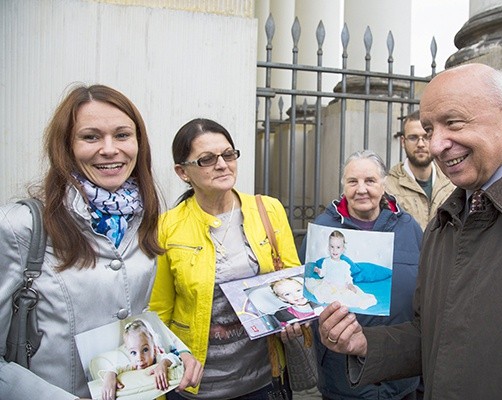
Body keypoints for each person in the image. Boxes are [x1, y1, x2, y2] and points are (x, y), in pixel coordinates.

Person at [318, 63, 502, 400]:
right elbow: (434, 336)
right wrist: (365, 344)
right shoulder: (444, 222)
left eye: (453, 123)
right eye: (427, 128)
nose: (436, 145)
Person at [0, 84, 202, 400]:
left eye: (122, 135)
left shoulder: (141, 218)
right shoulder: (19, 226)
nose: (109, 149)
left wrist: (175, 352)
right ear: (66, 146)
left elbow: (135, 314)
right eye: (91, 137)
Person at [149, 118, 301, 400]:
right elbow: (159, 310)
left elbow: (291, 280)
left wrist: (294, 319)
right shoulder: (168, 226)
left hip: (263, 379)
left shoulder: (268, 209)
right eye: (206, 159)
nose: (222, 164)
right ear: (183, 172)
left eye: (228, 154)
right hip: (194, 385)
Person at [298, 150, 423, 400]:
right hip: (342, 377)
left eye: (370, 181)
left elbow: (426, 288)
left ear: (384, 183)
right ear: (343, 185)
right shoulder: (324, 229)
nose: (361, 189)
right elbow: (305, 295)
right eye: (353, 181)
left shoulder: (409, 227)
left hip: (400, 377)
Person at [385, 110, 454, 231]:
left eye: (426, 137)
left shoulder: (452, 182)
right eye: (413, 137)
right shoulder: (388, 186)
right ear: (403, 141)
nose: (420, 144)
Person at [99, 319, 181, 400]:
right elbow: (116, 368)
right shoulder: (132, 367)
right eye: (133, 353)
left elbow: (175, 358)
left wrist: (164, 364)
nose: (139, 358)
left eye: (145, 350)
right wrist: (110, 375)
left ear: (154, 348)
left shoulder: (159, 359)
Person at [305, 230, 377, 310]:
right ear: (328, 247)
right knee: (323, 293)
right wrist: (318, 271)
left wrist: (350, 284)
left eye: (338, 247)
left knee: (352, 297)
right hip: (328, 285)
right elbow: (323, 274)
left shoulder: (345, 265)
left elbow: (348, 277)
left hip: (341, 287)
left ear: (343, 249)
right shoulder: (326, 261)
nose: (334, 250)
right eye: (332, 247)